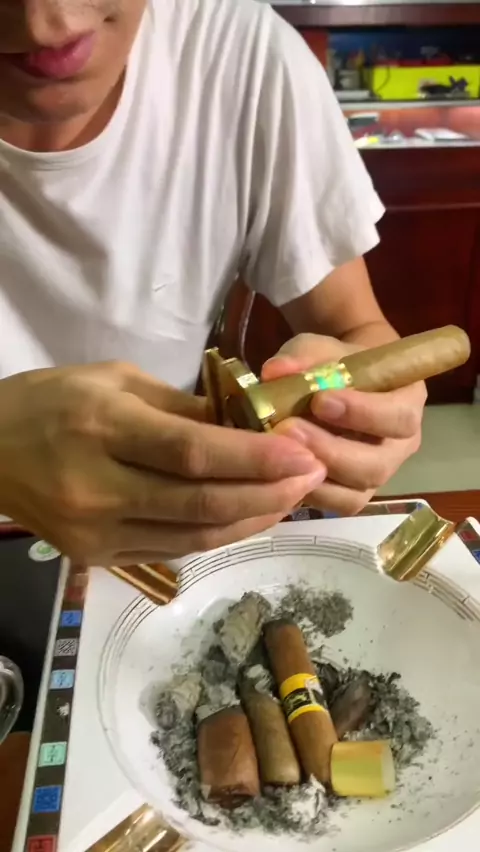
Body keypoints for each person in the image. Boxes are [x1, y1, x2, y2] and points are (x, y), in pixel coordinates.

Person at [0, 0, 426, 566]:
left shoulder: (241, 52)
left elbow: (356, 331)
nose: (45, 23)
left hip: (167, 541)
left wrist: (365, 414)